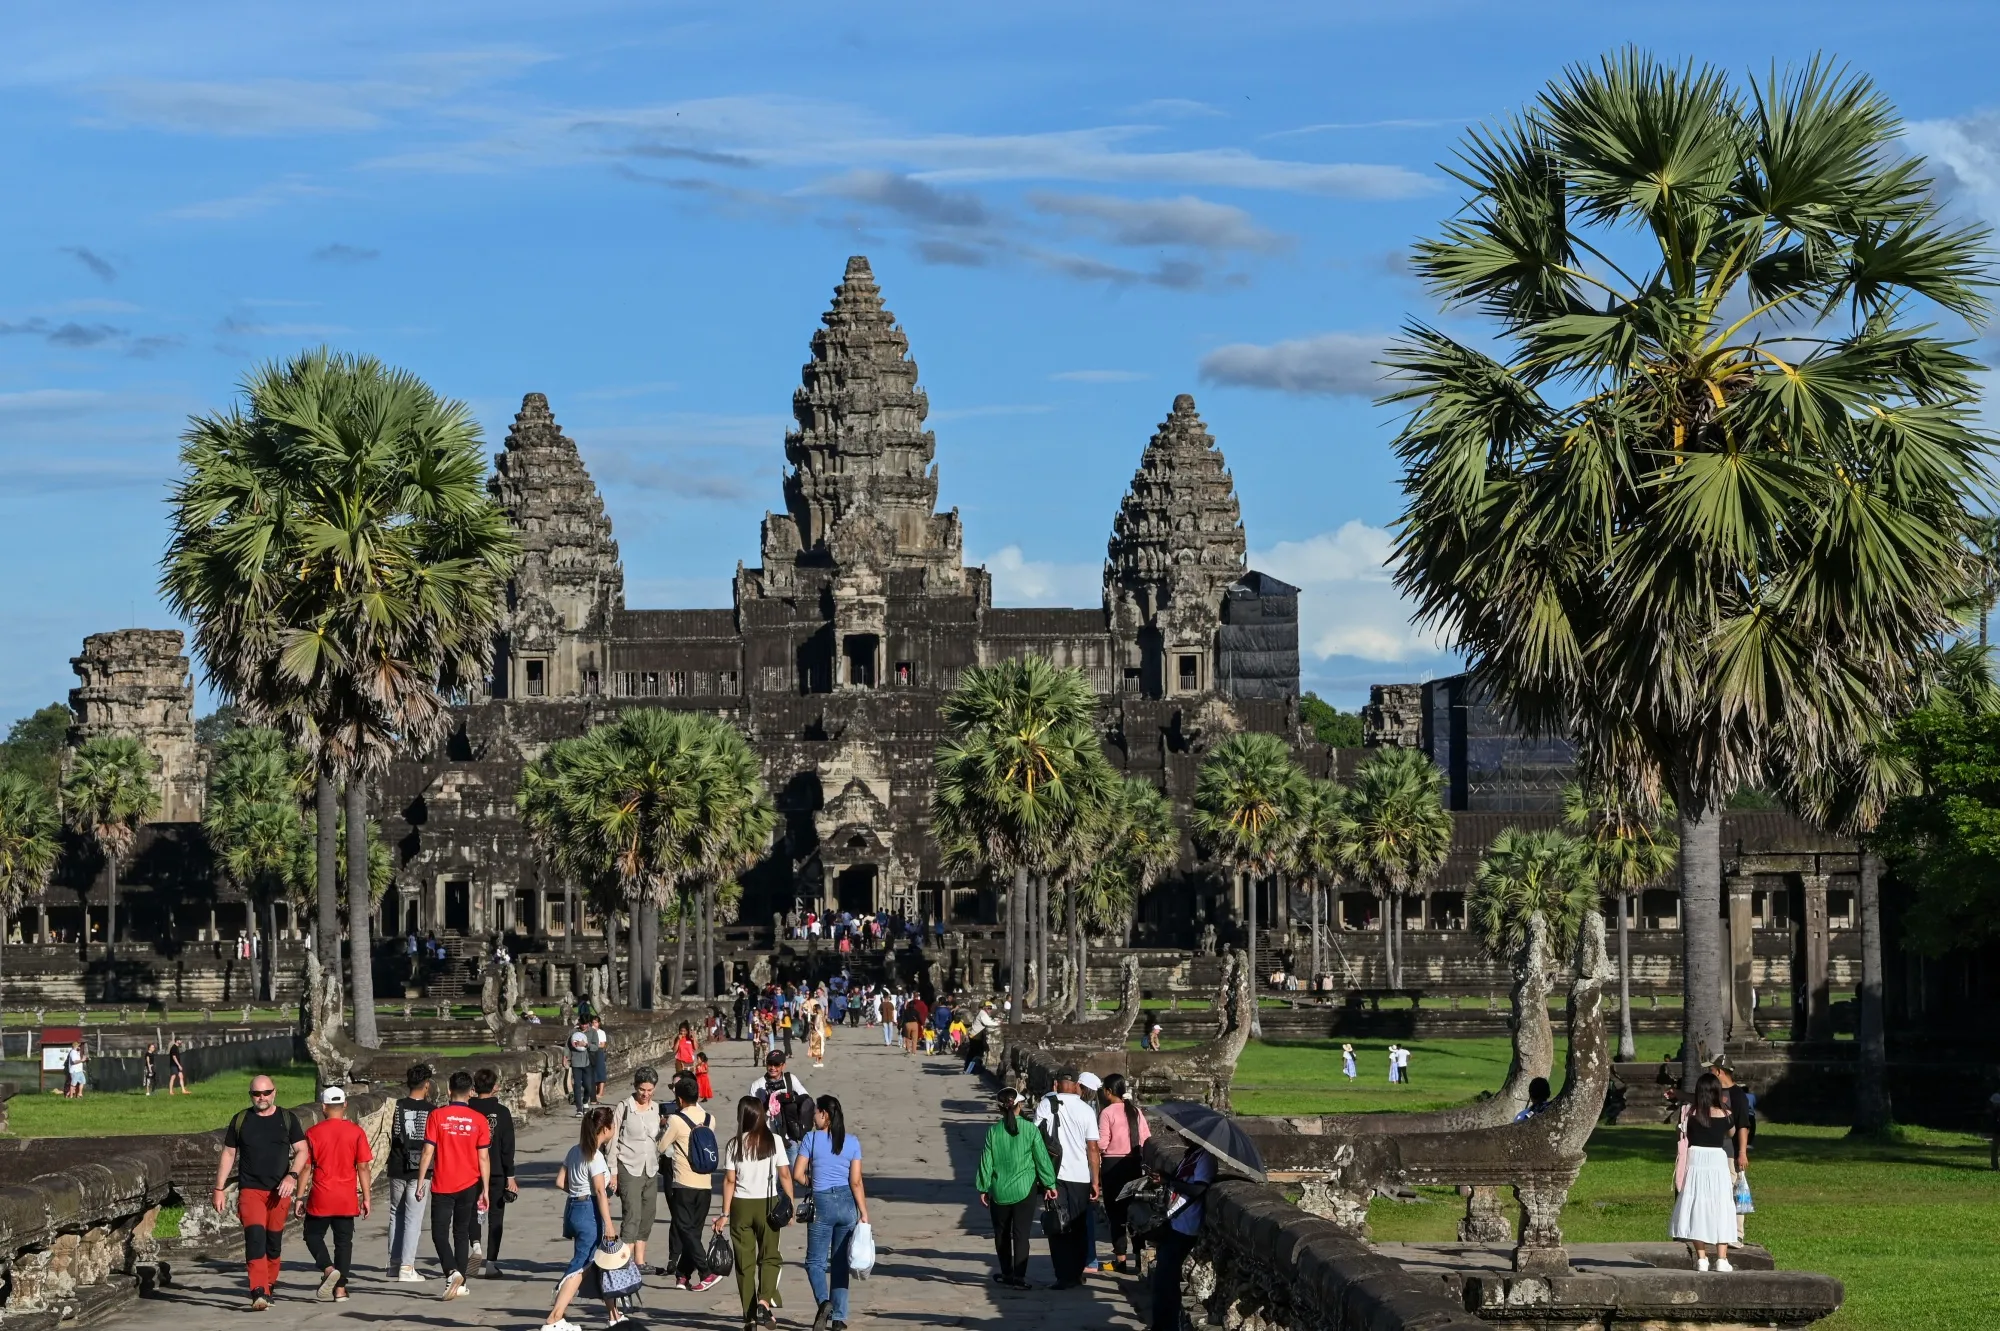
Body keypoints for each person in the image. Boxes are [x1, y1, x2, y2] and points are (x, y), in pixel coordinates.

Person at [213, 1073, 309, 1310]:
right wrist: (219, 1188)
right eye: (257, 1093)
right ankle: (258, 1290)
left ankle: (268, 1285)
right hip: (251, 1191)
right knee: (255, 1238)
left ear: (274, 1092)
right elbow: (228, 1154)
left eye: (266, 1092)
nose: (262, 1097)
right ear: (251, 1095)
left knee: (273, 1244)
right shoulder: (241, 1120)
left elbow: (303, 1151)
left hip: (279, 1192)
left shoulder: (288, 1119)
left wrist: (292, 1175)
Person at [717, 1094, 797, 1328]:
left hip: (741, 1206)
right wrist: (790, 1204)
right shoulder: (773, 1141)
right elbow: (784, 1175)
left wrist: (724, 1214)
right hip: (768, 1204)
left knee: (745, 1263)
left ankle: (749, 1315)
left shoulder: (734, 1144)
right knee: (770, 1256)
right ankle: (764, 1301)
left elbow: (730, 1181)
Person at [542, 1106, 622, 1331]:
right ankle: (554, 1317)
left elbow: (560, 1181)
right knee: (582, 1264)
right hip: (589, 1211)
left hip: (574, 1207)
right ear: (606, 1129)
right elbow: (599, 1191)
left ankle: (614, 1315)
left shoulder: (574, 1150)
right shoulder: (594, 1156)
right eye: (613, 1125)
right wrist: (609, 1224)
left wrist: (578, 1193)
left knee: (597, 1262)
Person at [794, 1095, 869, 1331]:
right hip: (847, 1203)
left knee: (814, 1262)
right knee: (839, 1264)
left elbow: (797, 1174)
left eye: (816, 1112)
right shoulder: (852, 1142)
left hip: (822, 1203)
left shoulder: (811, 1139)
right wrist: (863, 1213)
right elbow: (856, 1182)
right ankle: (839, 1319)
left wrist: (812, 1181)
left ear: (824, 1114)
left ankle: (823, 1303)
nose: (813, 1116)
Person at [417, 1069, 492, 1301]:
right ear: (470, 1092)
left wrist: (421, 1181)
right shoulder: (479, 1120)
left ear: (449, 1090)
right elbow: (484, 1157)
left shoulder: (437, 1116)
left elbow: (428, 1151)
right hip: (469, 1183)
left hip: (442, 1183)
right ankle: (460, 1281)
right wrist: (486, 1189)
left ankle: (452, 1272)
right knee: (461, 1233)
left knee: (439, 1233)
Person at [296, 1085, 373, 1302]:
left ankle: (328, 1269)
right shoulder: (356, 1132)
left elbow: (305, 1168)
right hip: (346, 1196)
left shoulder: (313, 1133)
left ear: (323, 1107)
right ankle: (340, 1290)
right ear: (345, 1106)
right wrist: (366, 1197)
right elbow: (363, 1167)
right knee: (344, 1242)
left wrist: (299, 1196)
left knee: (312, 1235)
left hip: (321, 1195)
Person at [975, 1087, 1055, 1289]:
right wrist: (1049, 1184)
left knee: (1001, 1234)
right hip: (1025, 1189)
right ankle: (1019, 1276)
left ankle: (1006, 1272)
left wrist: (983, 1187)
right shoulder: (1030, 1130)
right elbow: (1042, 1160)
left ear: (1000, 1108)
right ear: (1019, 1106)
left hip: (999, 1190)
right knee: (1021, 1234)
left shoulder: (993, 1132)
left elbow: (986, 1162)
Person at [1032, 1066, 1102, 1289]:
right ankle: (1077, 1271)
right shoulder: (1086, 1110)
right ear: (1077, 1086)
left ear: (1057, 1084)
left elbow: (1035, 1138)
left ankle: (1063, 1275)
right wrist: (1095, 1180)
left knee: (1058, 1225)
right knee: (1079, 1225)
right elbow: (1093, 1148)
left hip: (1053, 1174)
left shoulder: (1046, 1104)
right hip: (1081, 1176)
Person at [1670, 1071, 1746, 1272]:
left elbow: (1680, 1133)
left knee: (1696, 1205)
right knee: (1722, 1204)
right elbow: (1730, 1132)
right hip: (1717, 1160)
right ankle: (1722, 1259)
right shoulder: (1725, 1114)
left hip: (1696, 1159)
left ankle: (1702, 1258)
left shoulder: (1690, 1113)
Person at [663, 1072, 723, 1292]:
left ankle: (707, 1271)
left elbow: (661, 1147)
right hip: (705, 1184)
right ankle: (682, 1275)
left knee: (684, 1228)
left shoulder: (676, 1120)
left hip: (683, 1182)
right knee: (693, 1231)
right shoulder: (710, 1119)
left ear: (679, 1099)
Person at [1150, 1144, 1215, 1331]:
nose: (1181, 1136)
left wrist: (1169, 1182)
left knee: (1167, 1281)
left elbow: (1198, 1189)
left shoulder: (1205, 1159)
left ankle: (1167, 1326)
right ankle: (1161, 1324)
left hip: (1186, 1227)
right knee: (1163, 1280)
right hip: (1175, 1222)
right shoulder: (1192, 1155)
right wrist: (1166, 1178)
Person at [608, 1067, 663, 1275]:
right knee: (632, 1214)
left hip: (650, 1167)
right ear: (635, 1087)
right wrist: (612, 1170)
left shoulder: (655, 1108)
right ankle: (625, 1262)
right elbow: (612, 1141)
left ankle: (640, 1260)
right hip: (628, 1166)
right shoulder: (624, 1107)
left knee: (648, 1213)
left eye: (649, 1090)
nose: (645, 1094)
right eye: (642, 1090)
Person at [467, 1067, 520, 1279]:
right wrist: (511, 1175)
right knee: (496, 1217)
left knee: (473, 1211)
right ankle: (491, 1263)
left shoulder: (468, 1110)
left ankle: (476, 1245)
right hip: (497, 1169)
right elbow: (508, 1146)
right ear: (495, 1087)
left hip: (471, 1169)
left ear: (474, 1087)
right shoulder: (502, 1112)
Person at [1096, 1073, 1150, 1275]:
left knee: (1116, 1215)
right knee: (1135, 1213)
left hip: (1112, 1166)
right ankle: (1139, 1258)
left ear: (1109, 1092)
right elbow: (1146, 1140)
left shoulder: (1107, 1113)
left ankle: (1120, 1258)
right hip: (1134, 1164)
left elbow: (1102, 1143)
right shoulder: (1135, 1111)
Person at [386, 1063, 435, 1282]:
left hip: (396, 1166)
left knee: (396, 1213)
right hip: (420, 1170)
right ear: (426, 1085)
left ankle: (394, 1263)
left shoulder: (395, 1107)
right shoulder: (432, 1111)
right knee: (413, 1218)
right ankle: (407, 1266)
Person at [1707, 1056, 1756, 1242]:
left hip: (1730, 1151)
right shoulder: (1714, 1092)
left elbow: (1743, 1125)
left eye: (1711, 1070)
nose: (1709, 1074)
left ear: (1719, 1071)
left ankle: (1737, 1233)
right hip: (1714, 1150)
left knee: (1732, 1191)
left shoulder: (1738, 1096)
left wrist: (1742, 1153)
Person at [752, 1049, 813, 1146]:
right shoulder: (757, 1085)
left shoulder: (790, 1079)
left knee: (793, 1160)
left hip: (789, 1137)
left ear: (783, 1065)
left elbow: (806, 1098)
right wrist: (766, 1104)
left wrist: (790, 1098)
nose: (772, 1068)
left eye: (776, 1064)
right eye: (769, 1064)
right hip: (768, 1137)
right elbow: (752, 1114)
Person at [567, 1019, 594, 1115]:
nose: (584, 1025)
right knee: (577, 1085)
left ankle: (585, 1101)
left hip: (587, 1062)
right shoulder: (573, 1032)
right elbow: (568, 1046)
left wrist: (586, 1044)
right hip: (576, 1062)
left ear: (588, 1024)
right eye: (582, 1023)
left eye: (586, 1023)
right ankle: (579, 1109)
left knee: (588, 1086)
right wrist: (565, 1057)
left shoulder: (592, 1032)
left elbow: (596, 1046)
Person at [588, 1015, 611, 1105]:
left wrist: (592, 1045)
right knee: (593, 1073)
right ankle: (594, 1092)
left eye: (596, 1022)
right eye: (593, 1022)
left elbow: (602, 1045)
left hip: (599, 1052)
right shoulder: (589, 1032)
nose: (594, 1024)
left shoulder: (601, 1032)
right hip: (591, 1053)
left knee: (601, 1071)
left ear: (599, 1023)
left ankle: (600, 1091)